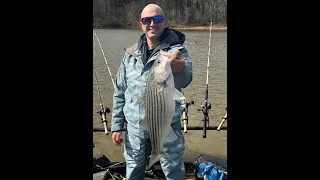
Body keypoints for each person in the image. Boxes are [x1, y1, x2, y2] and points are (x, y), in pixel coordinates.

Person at [111, 3, 192, 180]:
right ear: (141, 24)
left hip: (167, 125)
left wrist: (178, 70)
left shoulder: (177, 51)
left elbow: (186, 80)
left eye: (157, 19)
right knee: (133, 170)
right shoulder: (129, 54)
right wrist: (117, 125)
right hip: (135, 128)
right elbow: (120, 90)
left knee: (174, 172)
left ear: (165, 22)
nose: (152, 24)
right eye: (147, 20)